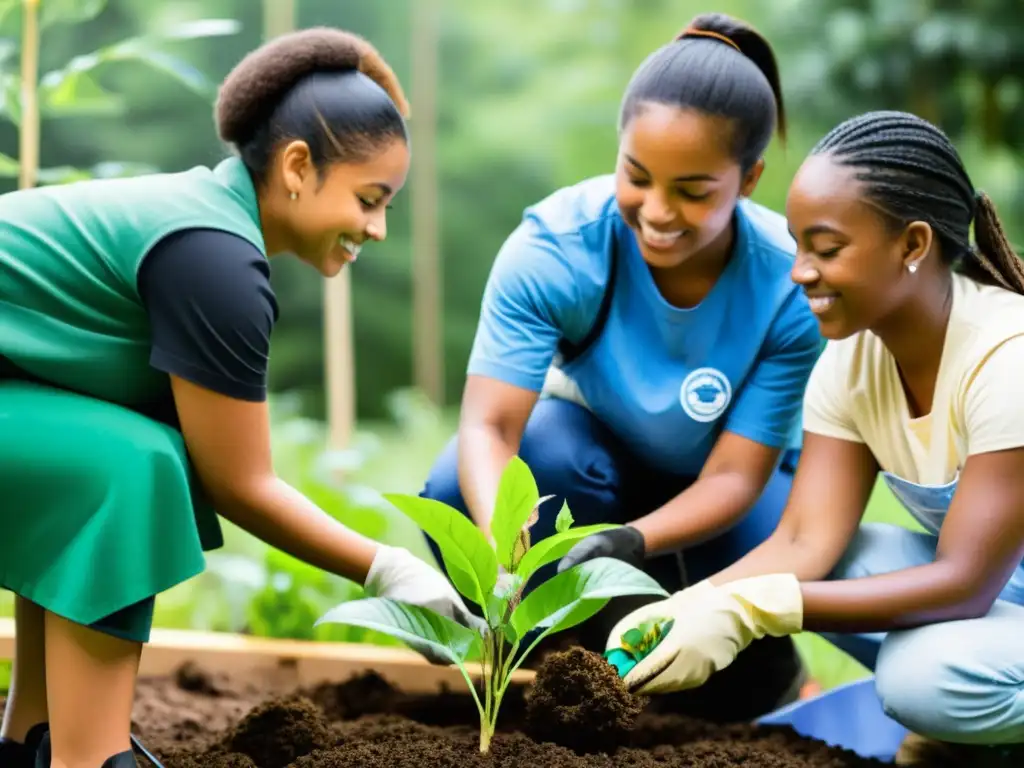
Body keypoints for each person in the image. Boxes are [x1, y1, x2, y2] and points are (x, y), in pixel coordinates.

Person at [0, 28, 479, 768]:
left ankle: (34, 740)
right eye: (369, 198)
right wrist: (387, 567)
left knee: (115, 456)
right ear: (297, 166)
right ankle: (90, 759)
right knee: (129, 470)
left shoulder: (203, 222)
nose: (378, 229)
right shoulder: (213, 259)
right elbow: (241, 484)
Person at [420, 12, 821, 719]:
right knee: (461, 480)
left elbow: (734, 476)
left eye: (693, 191)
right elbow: (489, 430)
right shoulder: (557, 249)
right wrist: (500, 544)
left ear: (750, 178)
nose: (657, 212)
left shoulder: (788, 284)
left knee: (742, 669)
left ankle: (774, 680)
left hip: (728, 499)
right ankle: (579, 667)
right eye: (637, 177)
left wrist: (636, 542)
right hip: (597, 469)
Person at [596, 110, 1024, 764]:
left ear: (912, 246)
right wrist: (690, 608)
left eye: (825, 249)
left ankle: (965, 727)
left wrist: (754, 610)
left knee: (924, 677)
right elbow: (804, 541)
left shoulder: (1006, 357)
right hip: (1005, 600)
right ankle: (981, 732)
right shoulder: (853, 363)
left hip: (985, 590)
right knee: (854, 555)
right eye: (797, 245)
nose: (799, 272)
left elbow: (964, 582)